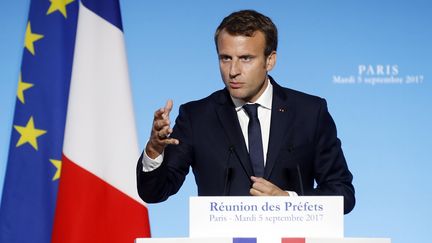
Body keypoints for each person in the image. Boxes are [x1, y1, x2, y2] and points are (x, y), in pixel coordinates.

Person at [136, 10, 355, 214]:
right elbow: (154, 192)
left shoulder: (309, 112)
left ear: (270, 60)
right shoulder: (197, 117)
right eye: (225, 58)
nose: (233, 71)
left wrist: (289, 201)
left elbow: (343, 194)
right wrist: (154, 151)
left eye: (246, 58)